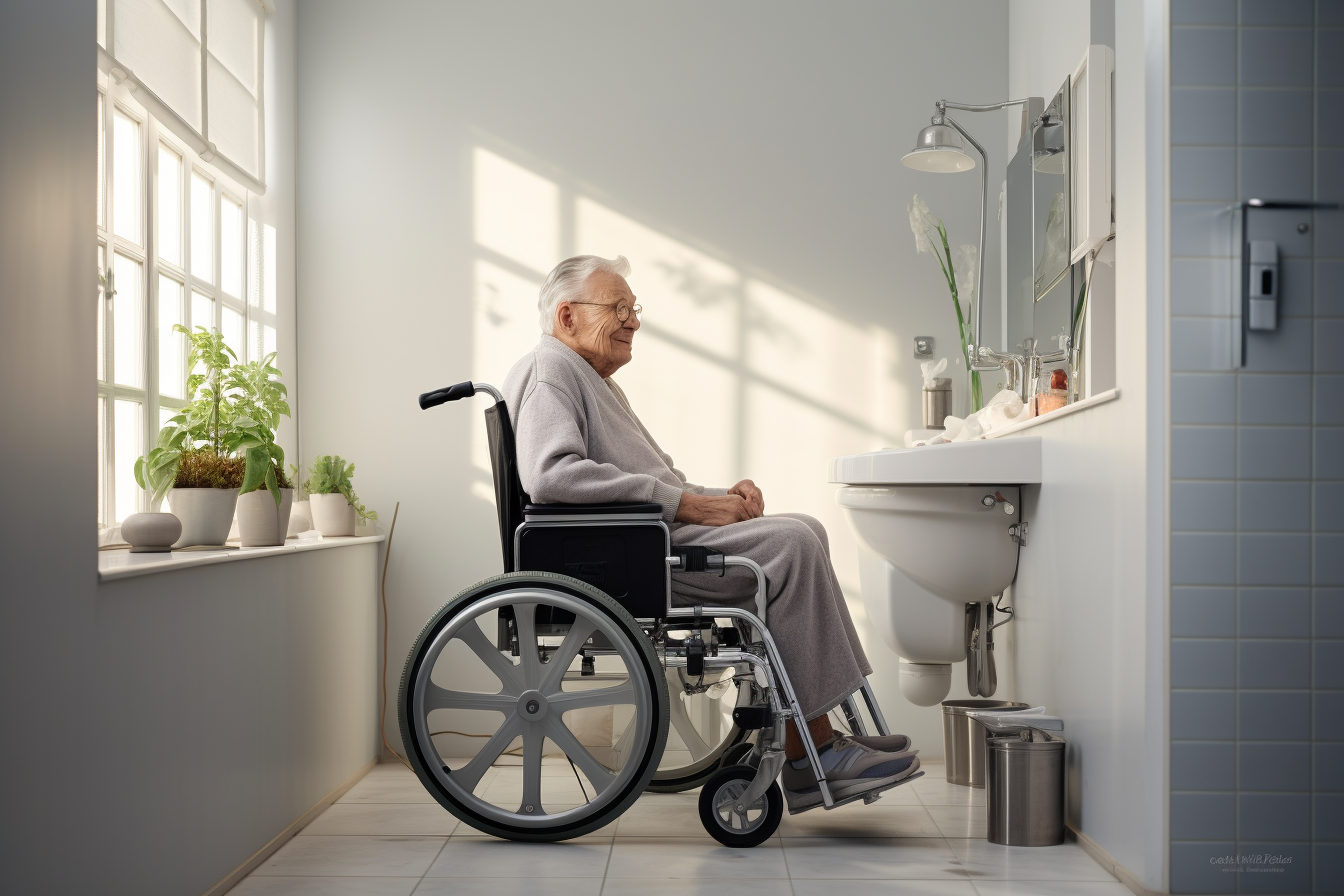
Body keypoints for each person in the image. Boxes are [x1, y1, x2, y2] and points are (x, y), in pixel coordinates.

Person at [502, 254, 918, 809]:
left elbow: (645, 481)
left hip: (646, 537)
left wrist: (718, 498)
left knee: (803, 528)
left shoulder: (588, 378)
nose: (633, 320)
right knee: (791, 545)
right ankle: (814, 750)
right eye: (618, 307)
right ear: (567, 316)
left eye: (635, 308)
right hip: (627, 552)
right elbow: (552, 476)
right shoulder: (552, 370)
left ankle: (814, 739)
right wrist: (688, 505)